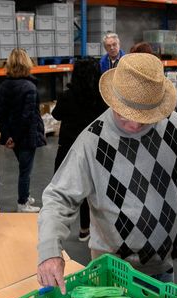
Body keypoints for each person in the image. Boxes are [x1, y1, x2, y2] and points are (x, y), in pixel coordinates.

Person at [37, 53, 177, 291]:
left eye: (143, 118)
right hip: (110, 272)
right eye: (125, 114)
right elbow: (58, 197)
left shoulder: (175, 126)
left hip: (163, 268)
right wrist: (50, 250)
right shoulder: (92, 141)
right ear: (113, 101)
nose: (134, 125)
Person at [51, 58, 107, 241]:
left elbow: (56, 114)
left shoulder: (67, 96)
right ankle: (86, 229)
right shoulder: (102, 96)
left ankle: (58, 229)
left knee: (62, 189)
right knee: (92, 190)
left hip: (68, 148)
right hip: (94, 149)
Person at [0, 48, 46, 213]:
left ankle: (25, 195)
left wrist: (7, 136)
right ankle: (22, 203)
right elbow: (26, 118)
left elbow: (0, 115)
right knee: (25, 171)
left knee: (24, 167)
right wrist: (15, 138)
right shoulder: (29, 87)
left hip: (13, 136)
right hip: (26, 137)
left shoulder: (3, 86)